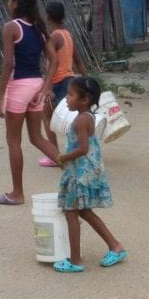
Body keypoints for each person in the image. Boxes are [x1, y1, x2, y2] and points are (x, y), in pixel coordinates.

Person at [0, 0, 59, 206]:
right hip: (36, 85)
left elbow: (8, 63)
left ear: (16, 3)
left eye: (9, 0)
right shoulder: (38, 27)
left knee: (13, 142)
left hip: (19, 87)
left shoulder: (11, 27)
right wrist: (46, 87)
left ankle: (17, 194)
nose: (7, 3)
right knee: (37, 137)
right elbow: (54, 60)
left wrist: (0, 96)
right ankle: (77, 171)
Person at [52, 77, 127, 273]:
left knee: (71, 212)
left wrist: (63, 157)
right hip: (84, 171)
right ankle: (115, 246)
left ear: (84, 100)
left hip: (80, 174)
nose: (66, 99)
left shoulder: (80, 121)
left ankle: (75, 260)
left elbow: (83, 148)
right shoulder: (88, 117)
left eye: (70, 95)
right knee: (84, 212)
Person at [38, 1, 88, 168]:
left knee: (47, 116)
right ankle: (76, 150)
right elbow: (78, 60)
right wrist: (88, 81)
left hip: (58, 81)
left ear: (48, 17)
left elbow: (53, 63)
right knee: (71, 118)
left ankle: (54, 155)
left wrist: (48, 86)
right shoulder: (67, 34)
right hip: (70, 80)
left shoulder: (54, 37)